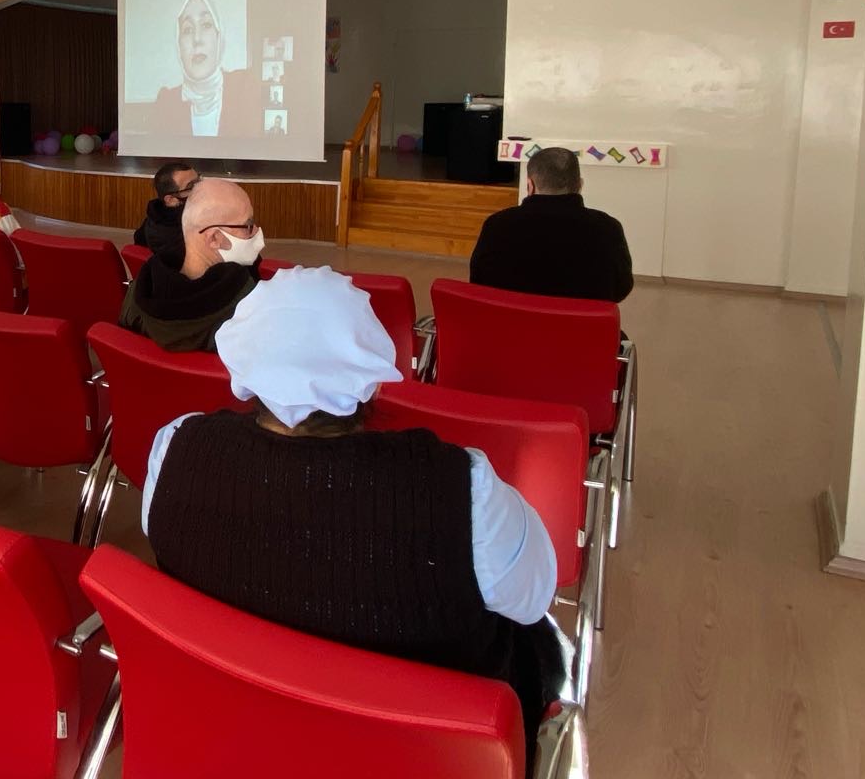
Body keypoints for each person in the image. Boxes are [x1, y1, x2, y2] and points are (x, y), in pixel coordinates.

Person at [143, 266, 562, 757]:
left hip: (233, 733)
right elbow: (533, 597)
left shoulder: (175, 449)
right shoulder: (463, 494)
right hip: (419, 755)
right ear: (374, 383)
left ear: (245, 370)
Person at [470, 146, 634, 303]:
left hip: (510, 322)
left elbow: (479, 281)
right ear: (580, 185)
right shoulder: (608, 228)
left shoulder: (496, 225)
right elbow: (621, 288)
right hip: (579, 323)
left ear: (530, 185)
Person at [119, 177, 261, 352]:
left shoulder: (135, 298)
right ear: (214, 238)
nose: (256, 231)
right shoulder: (250, 313)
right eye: (248, 225)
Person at [149, 0, 261, 138]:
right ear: (178, 45)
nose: (197, 39)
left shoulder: (244, 88)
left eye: (206, 25)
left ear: (219, 37)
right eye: (187, 30)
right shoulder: (166, 103)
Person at [132, 160, 198, 263]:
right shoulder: (169, 237)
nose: (200, 189)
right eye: (191, 187)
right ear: (170, 200)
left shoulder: (157, 214)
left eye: (199, 181)